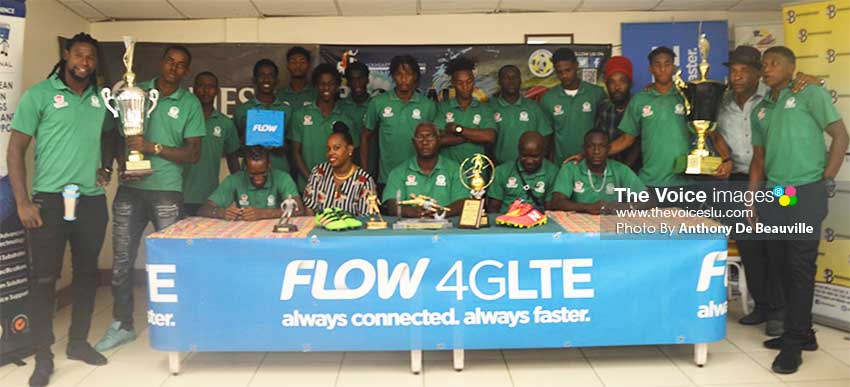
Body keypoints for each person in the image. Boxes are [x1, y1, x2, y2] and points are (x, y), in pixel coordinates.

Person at [6, 33, 111, 387]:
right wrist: (22, 201)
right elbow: (15, 150)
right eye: (79, 54)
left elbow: (107, 137)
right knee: (44, 280)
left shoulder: (101, 99)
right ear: (67, 55)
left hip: (91, 201)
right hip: (48, 202)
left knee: (86, 275)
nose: (85, 61)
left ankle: (78, 342)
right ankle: (43, 356)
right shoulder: (39, 95)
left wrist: (104, 167)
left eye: (91, 57)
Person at [95, 45, 205, 352]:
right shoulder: (134, 93)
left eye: (181, 65)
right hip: (130, 189)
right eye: (170, 61)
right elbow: (114, 135)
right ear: (162, 62)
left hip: (167, 190)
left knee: (172, 261)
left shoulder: (190, 103)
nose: (174, 68)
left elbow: (193, 153)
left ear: (186, 72)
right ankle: (122, 324)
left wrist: (152, 148)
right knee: (121, 261)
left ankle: (178, 321)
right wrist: (120, 164)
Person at [749, 46, 848, 374]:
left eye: (774, 63)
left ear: (792, 67)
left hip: (805, 191)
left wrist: (826, 180)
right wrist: (752, 198)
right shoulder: (760, 109)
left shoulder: (810, 92)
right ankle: (803, 332)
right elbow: (759, 159)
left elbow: (840, 136)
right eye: (764, 64)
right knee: (779, 264)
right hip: (778, 193)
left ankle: (793, 343)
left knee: (799, 267)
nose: (767, 68)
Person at [596, 47, 732, 193]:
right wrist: (594, 153)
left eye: (667, 64)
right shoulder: (640, 100)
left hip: (685, 183)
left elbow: (711, 132)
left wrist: (727, 160)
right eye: (657, 65)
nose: (662, 69)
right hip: (649, 182)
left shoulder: (688, 96)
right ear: (650, 69)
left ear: (673, 68)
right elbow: (626, 140)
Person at [361, 54, 437, 189]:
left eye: (408, 74)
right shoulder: (378, 102)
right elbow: (366, 137)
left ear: (415, 76)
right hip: (387, 177)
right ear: (392, 76)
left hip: (420, 176)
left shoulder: (428, 105)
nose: (403, 79)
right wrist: (365, 173)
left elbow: (436, 141)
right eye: (398, 74)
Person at [182, 71, 240, 216]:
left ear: (217, 91)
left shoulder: (225, 123)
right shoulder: (182, 119)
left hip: (210, 198)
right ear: (194, 89)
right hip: (179, 194)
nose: (206, 90)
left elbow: (233, 161)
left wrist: (239, 190)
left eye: (211, 86)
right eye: (201, 86)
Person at [550, 130, 649, 214]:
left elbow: (649, 199)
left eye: (602, 146)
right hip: (579, 225)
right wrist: (587, 207)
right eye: (591, 146)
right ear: (584, 148)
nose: (596, 151)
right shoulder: (571, 168)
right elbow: (557, 201)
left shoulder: (620, 169)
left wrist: (623, 207)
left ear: (609, 149)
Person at [290, 63, 356, 189]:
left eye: (331, 84)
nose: (326, 88)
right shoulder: (300, 115)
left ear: (337, 87)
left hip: (338, 187)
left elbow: (351, 155)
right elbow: (295, 152)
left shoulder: (346, 119)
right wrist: (312, 180)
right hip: (307, 185)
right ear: (315, 86)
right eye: (322, 84)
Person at [382, 122, 466, 217]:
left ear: (439, 140)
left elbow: (463, 202)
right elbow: (392, 206)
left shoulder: (454, 170)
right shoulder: (399, 172)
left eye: (430, 137)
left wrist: (440, 213)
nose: (425, 142)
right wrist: (416, 213)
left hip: (447, 228)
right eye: (420, 138)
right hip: (409, 229)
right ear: (413, 142)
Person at [199, 146, 304, 220]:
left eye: (263, 173)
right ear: (245, 167)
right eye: (252, 174)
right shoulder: (235, 180)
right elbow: (204, 209)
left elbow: (298, 209)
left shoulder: (282, 178)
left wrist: (263, 213)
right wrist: (222, 212)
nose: (258, 178)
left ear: (269, 165)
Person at [540, 47, 606, 164]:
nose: (564, 75)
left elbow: (604, 130)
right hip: (562, 164)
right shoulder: (548, 98)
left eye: (568, 70)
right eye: (559, 72)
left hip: (592, 163)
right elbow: (548, 137)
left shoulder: (596, 93)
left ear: (576, 65)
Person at [303, 123, 376, 216]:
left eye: (336, 148)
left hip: (353, 230)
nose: (330, 153)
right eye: (328, 149)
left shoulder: (364, 181)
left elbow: (366, 218)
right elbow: (309, 208)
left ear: (350, 150)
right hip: (320, 228)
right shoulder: (319, 172)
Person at [434, 56, 496, 164]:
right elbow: (437, 140)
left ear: (474, 81)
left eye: (469, 81)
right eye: (460, 83)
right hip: (447, 175)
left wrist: (458, 129)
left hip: (477, 173)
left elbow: (489, 136)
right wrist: (472, 136)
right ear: (453, 83)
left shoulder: (484, 108)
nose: (465, 86)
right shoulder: (443, 108)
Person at [233, 59, 291, 172]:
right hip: (250, 173)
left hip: (279, 171)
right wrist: (246, 142)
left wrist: (281, 146)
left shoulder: (287, 110)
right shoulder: (242, 110)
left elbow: (293, 147)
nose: (266, 79)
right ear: (254, 80)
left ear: (277, 80)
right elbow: (234, 148)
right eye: (261, 75)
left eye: (271, 75)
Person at [491, 64, 552, 164]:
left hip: (529, 168)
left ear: (520, 80)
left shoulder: (533, 107)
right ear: (499, 82)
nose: (511, 81)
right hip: (499, 168)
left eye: (515, 77)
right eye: (506, 78)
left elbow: (546, 137)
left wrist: (536, 162)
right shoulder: (490, 107)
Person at [487, 131, 558, 213]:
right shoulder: (502, 171)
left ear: (543, 153)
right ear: (519, 151)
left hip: (537, 220)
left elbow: (549, 209)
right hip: (506, 219)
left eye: (535, 156)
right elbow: (493, 207)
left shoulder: (552, 172)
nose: (529, 161)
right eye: (524, 155)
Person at [594, 56, 641, 171]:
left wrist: (623, 173)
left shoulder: (640, 106)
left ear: (630, 83)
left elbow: (637, 144)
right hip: (608, 173)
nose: (617, 87)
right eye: (612, 82)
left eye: (622, 81)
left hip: (637, 176)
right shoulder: (603, 108)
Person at [338, 61, 377, 175]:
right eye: (353, 79)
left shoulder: (376, 105)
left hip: (373, 165)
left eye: (360, 78)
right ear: (348, 82)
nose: (357, 83)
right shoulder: (340, 107)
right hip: (346, 167)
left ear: (367, 80)